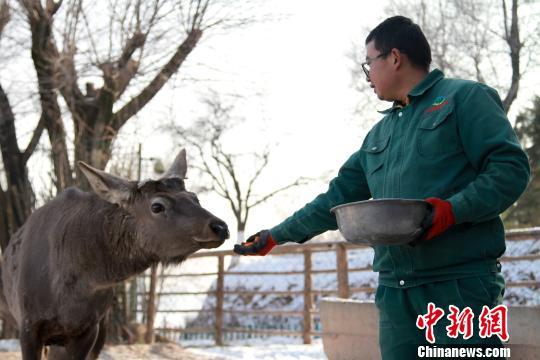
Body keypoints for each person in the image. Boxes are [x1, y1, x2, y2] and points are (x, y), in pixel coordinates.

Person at [234, 15, 530, 359]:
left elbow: (510, 169)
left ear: (394, 57)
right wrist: (276, 235)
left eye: (369, 63)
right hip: (395, 291)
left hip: (458, 286)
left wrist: (452, 211)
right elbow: (335, 199)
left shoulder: (464, 98)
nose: (367, 75)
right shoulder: (379, 134)